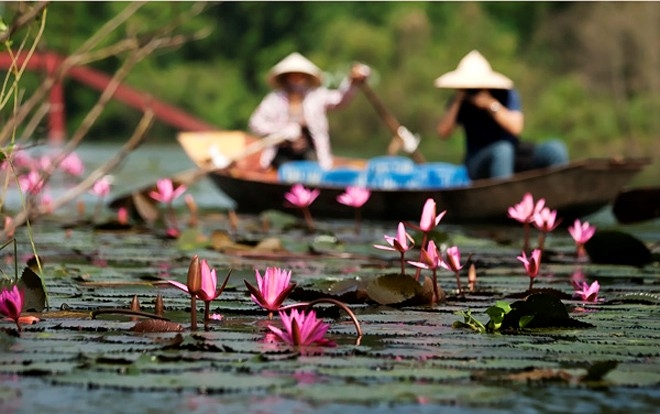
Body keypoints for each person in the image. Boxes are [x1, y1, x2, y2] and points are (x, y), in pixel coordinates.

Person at [435, 50, 568, 181]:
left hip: (514, 152)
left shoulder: (505, 95)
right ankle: (504, 198)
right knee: (502, 151)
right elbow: (443, 132)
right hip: (478, 161)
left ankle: (561, 190)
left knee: (554, 148)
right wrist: (458, 100)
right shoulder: (460, 102)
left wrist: (491, 105)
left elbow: (516, 128)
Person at [249, 52, 370, 171]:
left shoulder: (316, 96)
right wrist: (281, 131)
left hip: (311, 156)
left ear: (306, 77)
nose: (296, 80)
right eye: (293, 76)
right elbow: (255, 123)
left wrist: (351, 82)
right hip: (282, 157)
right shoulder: (274, 99)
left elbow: (340, 99)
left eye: (300, 76)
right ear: (285, 78)